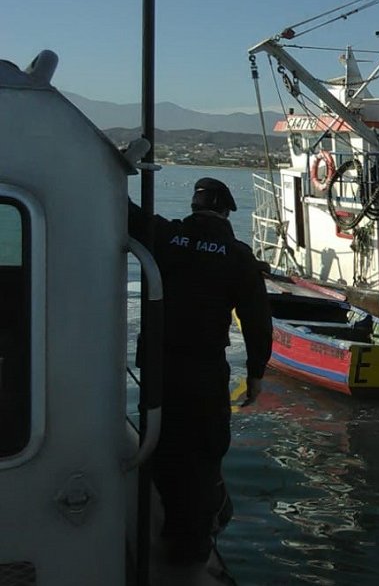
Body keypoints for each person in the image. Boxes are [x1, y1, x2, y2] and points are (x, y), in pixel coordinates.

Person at [128, 177, 273, 566]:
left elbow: (127, 215)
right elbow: (257, 321)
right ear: (226, 212)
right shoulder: (237, 255)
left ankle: (164, 524)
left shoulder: (165, 236)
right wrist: (256, 374)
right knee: (204, 450)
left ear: (194, 207)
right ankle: (190, 547)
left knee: (163, 444)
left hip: (159, 368)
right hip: (204, 370)